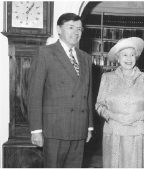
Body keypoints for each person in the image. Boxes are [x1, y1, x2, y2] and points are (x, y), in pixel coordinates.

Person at [27, 13, 93, 168]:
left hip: (79, 127)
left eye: (79, 29)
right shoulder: (45, 53)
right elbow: (34, 94)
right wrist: (36, 130)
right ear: (59, 29)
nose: (76, 32)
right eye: (71, 27)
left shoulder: (86, 58)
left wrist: (89, 126)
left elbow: (88, 94)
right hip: (55, 128)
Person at [95, 37, 144, 168]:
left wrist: (136, 117)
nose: (129, 59)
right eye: (124, 55)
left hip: (137, 133)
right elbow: (99, 105)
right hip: (113, 132)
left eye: (132, 55)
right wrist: (114, 116)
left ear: (136, 57)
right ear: (118, 58)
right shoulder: (107, 78)